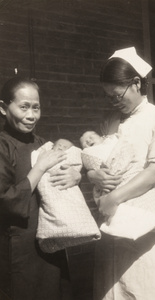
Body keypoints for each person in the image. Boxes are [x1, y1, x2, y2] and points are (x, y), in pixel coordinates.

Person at [87, 47, 155, 300]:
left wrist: (114, 198)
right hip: (113, 222)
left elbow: (154, 171)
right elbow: (98, 158)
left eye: (117, 95)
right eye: (108, 97)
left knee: (149, 287)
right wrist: (93, 176)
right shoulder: (110, 121)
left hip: (145, 222)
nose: (113, 102)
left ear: (136, 83)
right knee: (114, 288)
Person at [0, 77, 81, 300]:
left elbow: (62, 176)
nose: (31, 115)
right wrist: (40, 167)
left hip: (49, 243)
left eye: (36, 107)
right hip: (17, 249)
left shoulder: (42, 144)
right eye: (23, 107)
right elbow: (5, 200)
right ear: (3, 107)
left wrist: (75, 176)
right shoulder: (3, 146)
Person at [80, 130, 155, 240]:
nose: (88, 140)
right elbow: (90, 162)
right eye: (84, 142)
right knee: (121, 225)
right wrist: (91, 174)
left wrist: (113, 198)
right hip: (111, 191)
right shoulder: (109, 121)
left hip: (138, 186)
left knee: (145, 218)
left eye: (91, 136)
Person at [31, 138, 101, 254]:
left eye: (65, 147)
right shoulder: (43, 151)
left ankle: (84, 230)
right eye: (59, 145)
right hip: (40, 201)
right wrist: (41, 166)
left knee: (71, 210)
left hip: (65, 191)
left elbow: (75, 163)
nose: (61, 148)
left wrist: (77, 175)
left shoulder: (41, 141)